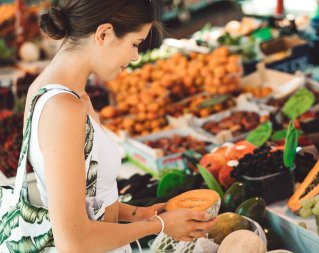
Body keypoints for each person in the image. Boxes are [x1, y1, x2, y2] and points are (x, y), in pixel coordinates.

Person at [24, 0, 216, 252]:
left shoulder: (49, 90)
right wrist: (158, 225)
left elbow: (83, 199)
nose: (135, 56)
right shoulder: (63, 108)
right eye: (134, 44)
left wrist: (138, 214)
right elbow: (74, 243)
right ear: (104, 34)